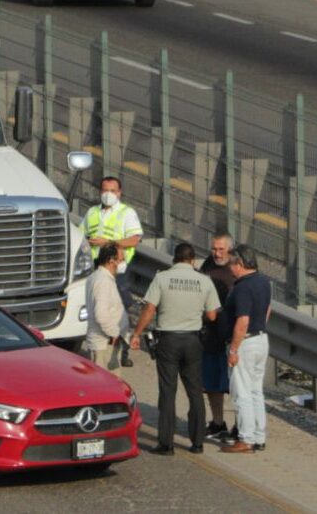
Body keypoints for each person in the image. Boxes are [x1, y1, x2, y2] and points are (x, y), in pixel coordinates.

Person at [130, 242, 219, 455]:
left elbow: (149, 309)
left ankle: (166, 444)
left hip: (168, 340)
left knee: (168, 391)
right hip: (193, 340)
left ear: (174, 259)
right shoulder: (204, 281)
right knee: (195, 391)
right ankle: (197, 442)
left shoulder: (162, 278)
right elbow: (212, 315)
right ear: (193, 260)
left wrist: (136, 334)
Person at [81, 176, 142, 366]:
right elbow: (82, 234)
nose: (108, 194)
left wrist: (108, 243)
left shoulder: (126, 213)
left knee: (118, 308)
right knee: (96, 307)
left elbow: (134, 240)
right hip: (96, 267)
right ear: (100, 191)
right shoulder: (92, 212)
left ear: (119, 193)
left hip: (119, 269)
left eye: (113, 190)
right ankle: (99, 344)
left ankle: (122, 349)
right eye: (105, 190)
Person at [220, 245, 272, 454]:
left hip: (245, 343)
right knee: (255, 391)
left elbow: (242, 320)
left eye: (231, 263)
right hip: (261, 339)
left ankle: (246, 438)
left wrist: (234, 349)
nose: (229, 268)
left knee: (241, 392)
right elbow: (268, 308)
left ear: (240, 264)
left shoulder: (242, 287)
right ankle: (259, 436)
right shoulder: (263, 281)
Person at [199, 233, 236, 440]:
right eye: (214, 249)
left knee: (235, 386)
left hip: (230, 336)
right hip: (210, 335)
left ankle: (240, 426)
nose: (217, 253)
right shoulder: (208, 265)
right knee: (211, 383)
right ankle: (218, 422)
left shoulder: (236, 269)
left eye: (221, 249)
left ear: (230, 250)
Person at [83, 243, 130, 377]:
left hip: (104, 343)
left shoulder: (98, 277)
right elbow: (101, 314)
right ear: (111, 260)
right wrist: (114, 334)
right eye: (121, 259)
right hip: (104, 345)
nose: (123, 263)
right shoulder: (103, 281)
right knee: (108, 384)